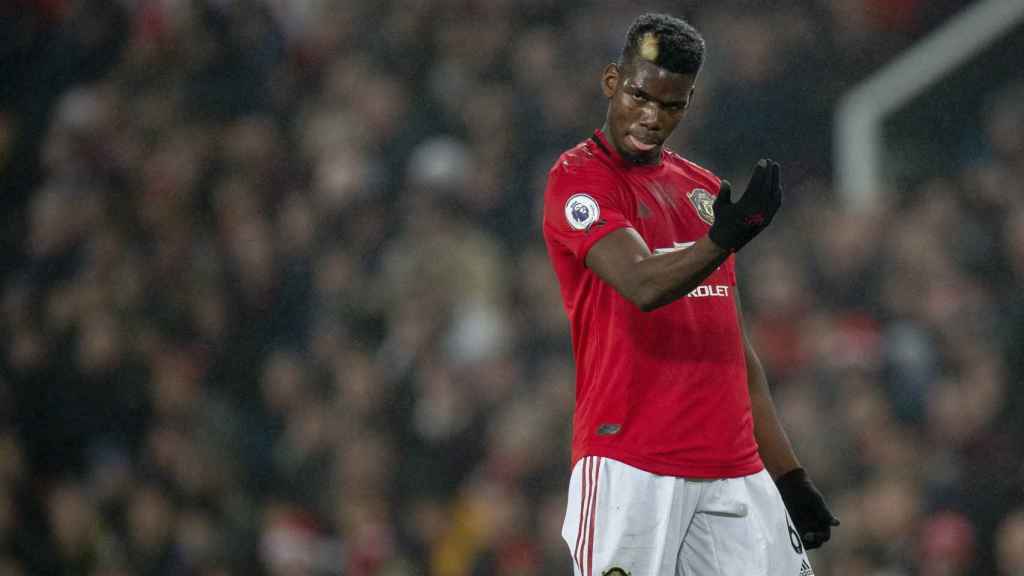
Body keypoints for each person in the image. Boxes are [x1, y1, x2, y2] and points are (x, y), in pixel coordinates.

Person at [541, 13, 838, 576]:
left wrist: (790, 477)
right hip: (633, 463)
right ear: (612, 81)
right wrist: (723, 238)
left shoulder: (703, 191)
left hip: (735, 467)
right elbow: (641, 282)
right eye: (639, 96)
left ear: (689, 101)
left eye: (671, 105)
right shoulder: (579, 179)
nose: (651, 118)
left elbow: (733, 349)